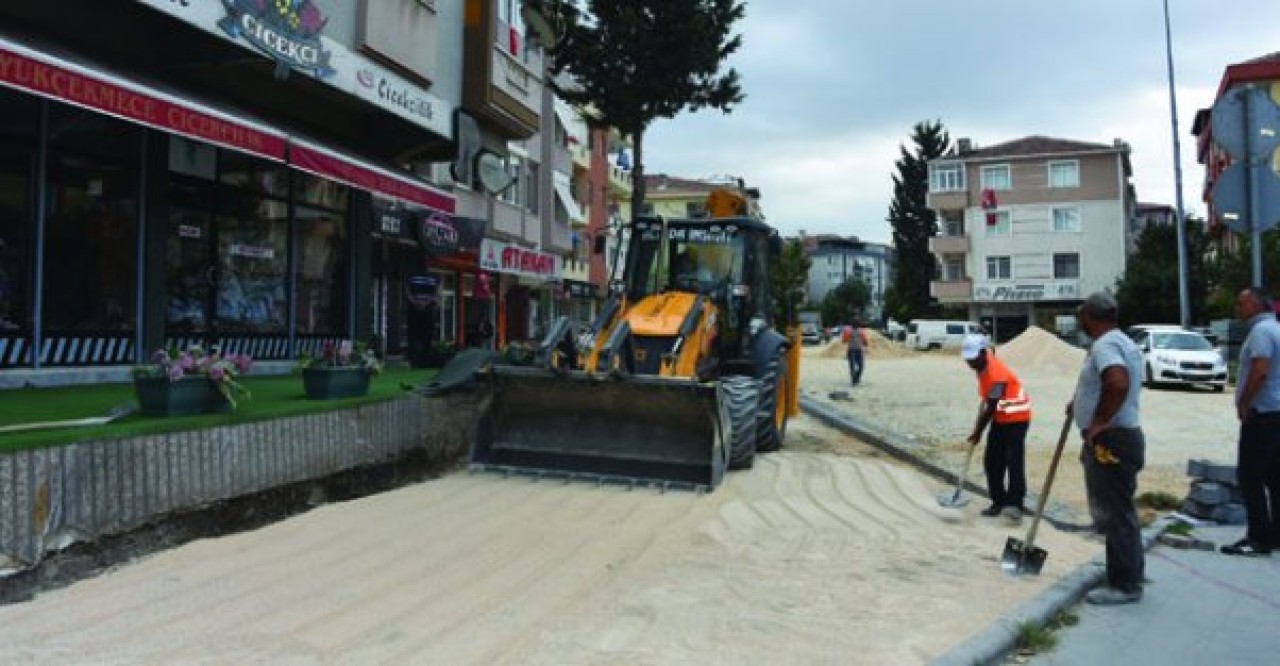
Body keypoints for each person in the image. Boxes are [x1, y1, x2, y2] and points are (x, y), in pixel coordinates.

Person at [1071, 291, 1146, 605]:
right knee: (1120, 510)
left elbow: (1117, 382)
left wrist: (1098, 421)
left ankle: (1124, 585)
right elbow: (1107, 384)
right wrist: (1079, 403)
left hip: (1112, 441)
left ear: (1090, 317)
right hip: (1122, 437)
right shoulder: (1124, 341)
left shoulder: (1105, 345)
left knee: (1115, 513)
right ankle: (1127, 572)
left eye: (1082, 318)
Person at [1221, 287, 1280, 557]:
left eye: (1241, 304)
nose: (1237, 309)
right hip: (1276, 412)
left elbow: (1260, 370)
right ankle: (1275, 534)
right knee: (1274, 476)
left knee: (1250, 476)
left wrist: (1245, 402)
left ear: (1256, 305)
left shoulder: (1261, 332)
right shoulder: (1276, 329)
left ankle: (1258, 538)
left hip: (1262, 414)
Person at [961, 334, 1031, 521]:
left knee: (1013, 460)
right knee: (992, 460)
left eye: (973, 358)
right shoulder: (984, 360)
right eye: (968, 359)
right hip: (1001, 415)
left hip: (1017, 416)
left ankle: (1015, 503)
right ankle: (998, 501)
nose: (970, 363)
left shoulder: (996, 374)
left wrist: (977, 432)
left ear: (982, 354)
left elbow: (991, 407)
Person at [843, 321, 869, 385]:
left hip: (851, 350)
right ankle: (856, 379)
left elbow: (844, 341)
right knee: (861, 366)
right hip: (859, 350)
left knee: (852, 366)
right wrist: (865, 345)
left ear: (852, 326)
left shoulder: (848, 332)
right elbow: (865, 342)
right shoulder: (861, 332)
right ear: (859, 326)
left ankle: (854, 380)